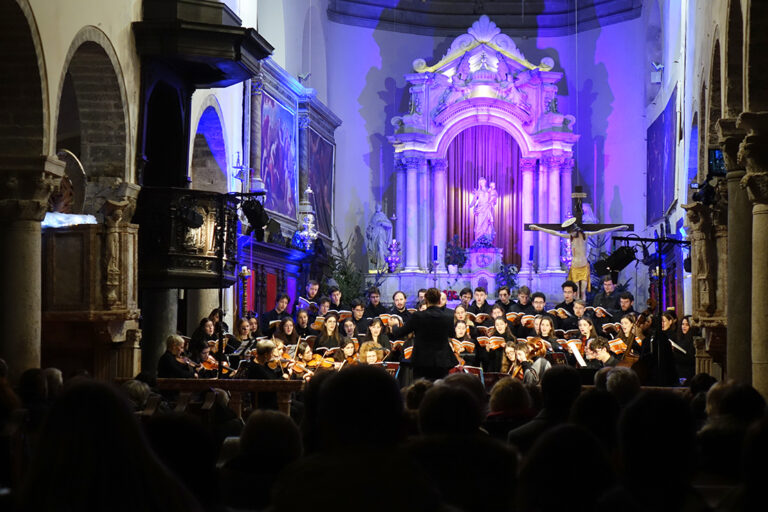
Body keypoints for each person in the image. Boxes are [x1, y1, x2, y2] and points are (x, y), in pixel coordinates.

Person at [529, 219, 628, 300]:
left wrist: (619, 227)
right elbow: (554, 233)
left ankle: (583, 309)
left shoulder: (585, 235)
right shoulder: (570, 237)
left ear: (575, 229)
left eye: (572, 231)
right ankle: (577, 310)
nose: (571, 233)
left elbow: (602, 231)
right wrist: (538, 228)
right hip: (575, 267)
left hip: (584, 267)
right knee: (576, 292)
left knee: (583, 291)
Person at [389, 288, 455, 380]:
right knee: (440, 387)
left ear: (426, 300)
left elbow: (399, 333)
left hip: (422, 361)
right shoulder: (448, 317)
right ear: (439, 301)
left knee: (421, 387)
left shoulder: (418, 316)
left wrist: (394, 325)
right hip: (442, 361)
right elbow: (452, 334)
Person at [675, 315, 696, 382]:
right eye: (683, 324)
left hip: (688, 370)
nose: (684, 327)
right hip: (679, 368)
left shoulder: (692, 340)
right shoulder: (680, 338)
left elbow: (691, 358)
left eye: (687, 325)